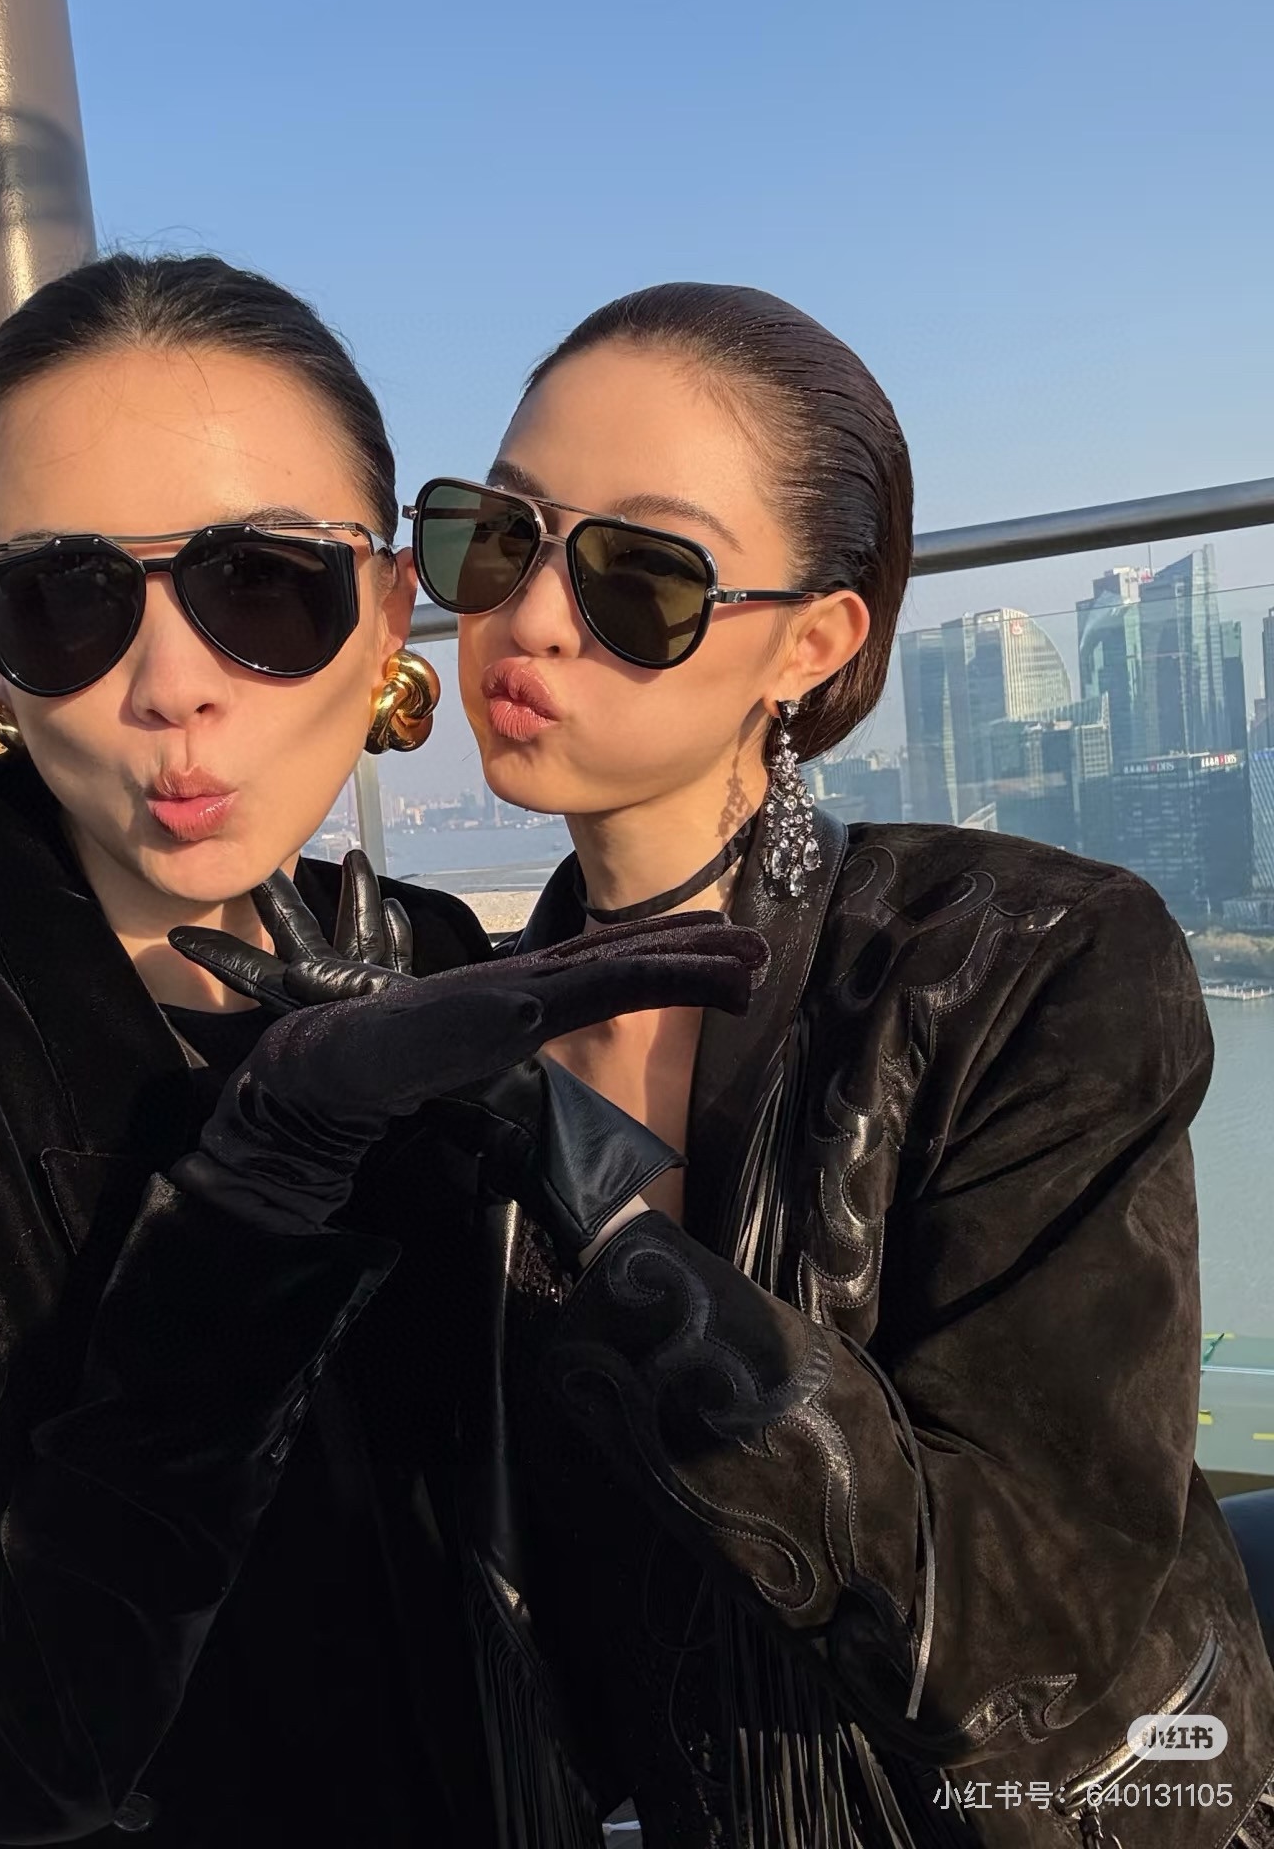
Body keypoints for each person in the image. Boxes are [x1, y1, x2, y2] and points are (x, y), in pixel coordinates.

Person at [0, 252, 767, 1847]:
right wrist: (252, 1204)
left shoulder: (427, 955)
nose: (169, 689)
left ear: (391, 609)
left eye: (263, 586)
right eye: (61, 600)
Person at [393, 283, 1274, 1848]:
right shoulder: (459, 1028)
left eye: (641, 576)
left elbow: (1040, 1634)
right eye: (498, 536)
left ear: (811, 642)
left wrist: (615, 1237)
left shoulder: (1029, 964)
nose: (529, 617)